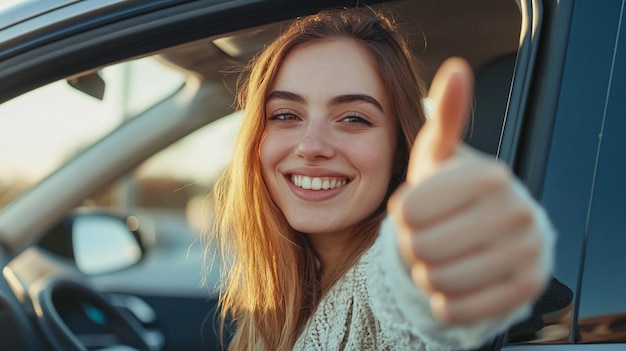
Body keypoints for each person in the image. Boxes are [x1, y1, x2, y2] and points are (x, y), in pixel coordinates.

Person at [209, 7, 555, 351]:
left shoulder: (394, 281)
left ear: (400, 150)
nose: (311, 146)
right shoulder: (277, 298)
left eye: (354, 119)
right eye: (285, 115)